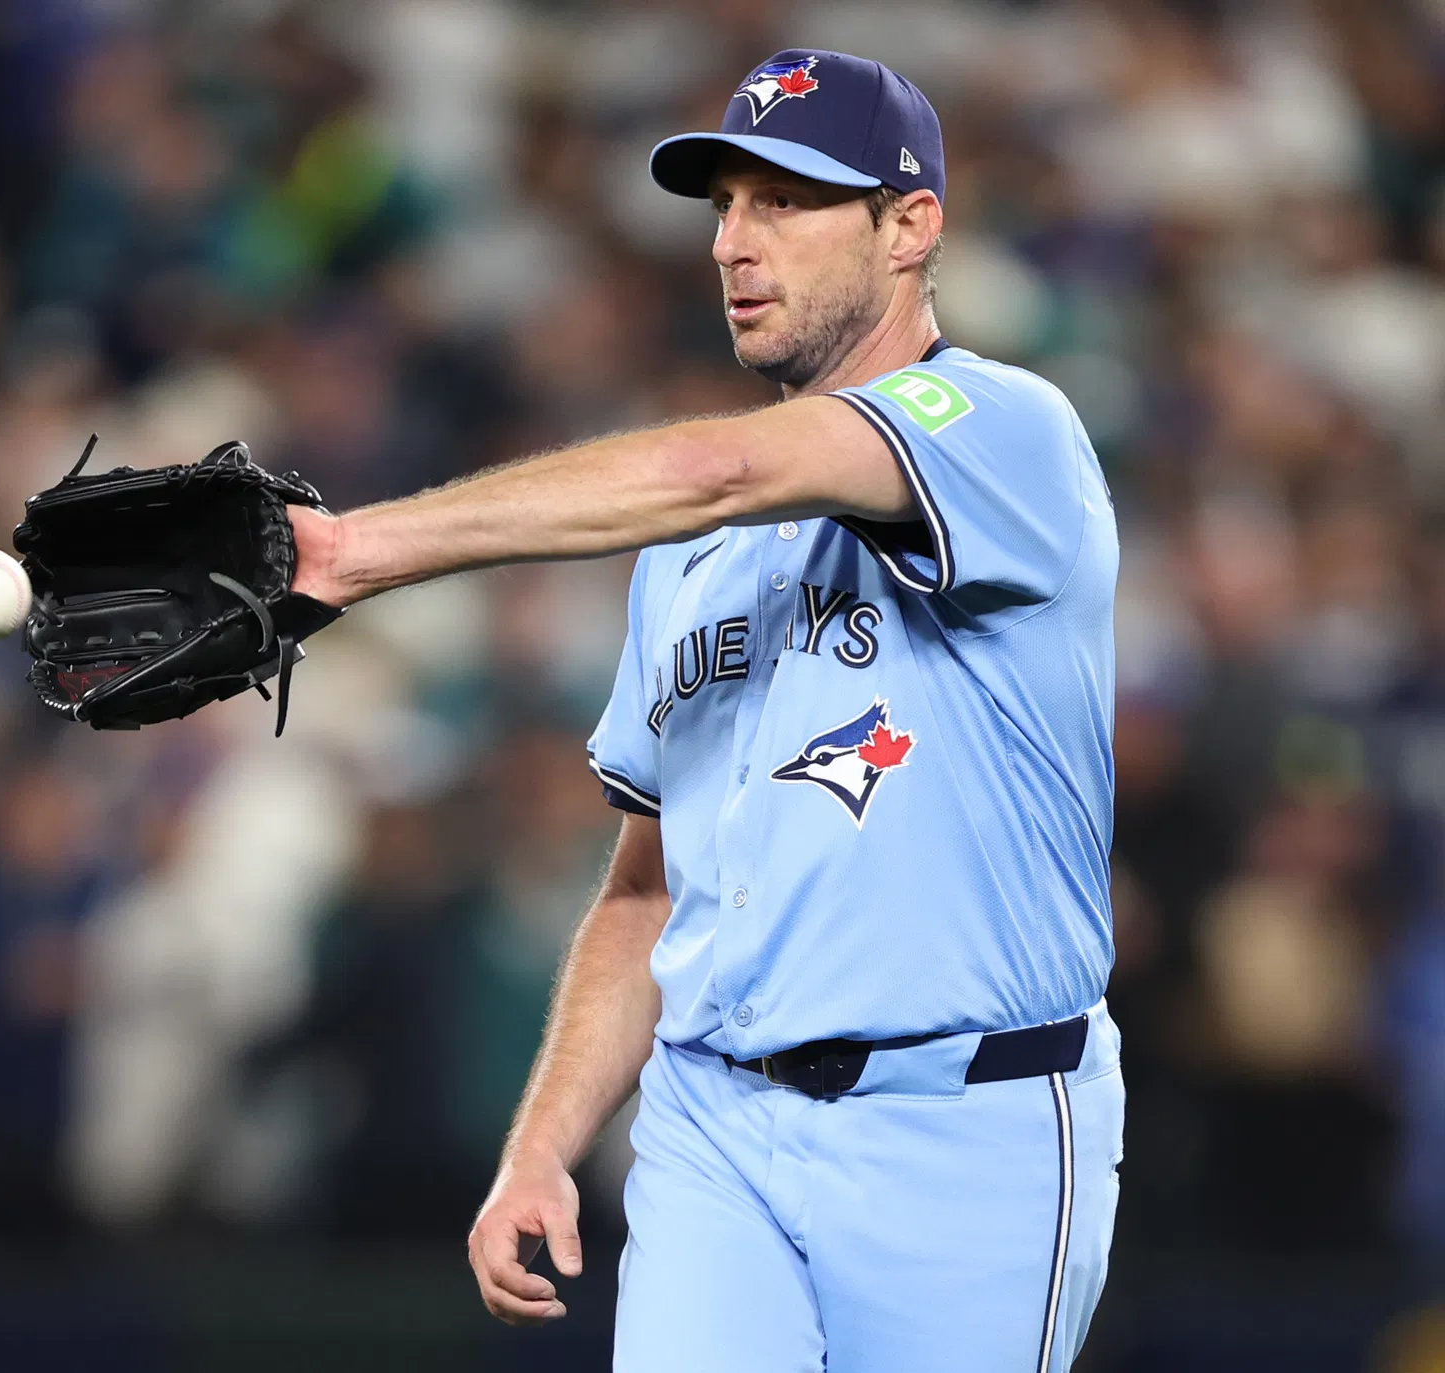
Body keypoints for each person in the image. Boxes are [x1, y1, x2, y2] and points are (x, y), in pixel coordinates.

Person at [288, 49, 1122, 1373]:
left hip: (965, 1128)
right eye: (724, 202)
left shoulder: (1008, 429)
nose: (735, 239)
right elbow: (645, 893)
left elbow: (713, 462)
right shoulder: (682, 561)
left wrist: (353, 552)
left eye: (787, 200)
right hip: (712, 1131)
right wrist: (543, 1144)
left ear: (910, 227)